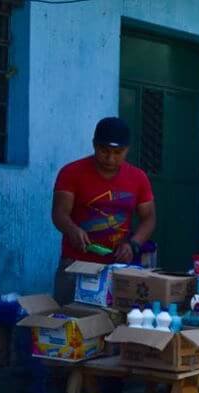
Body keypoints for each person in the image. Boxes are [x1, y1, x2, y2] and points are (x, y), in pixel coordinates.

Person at [52, 117, 156, 303]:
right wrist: (72, 230)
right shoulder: (71, 173)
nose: (110, 158)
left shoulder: (138, 178)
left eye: (118, 152)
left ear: (127, 150)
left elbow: (148, 218)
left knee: (114, 324)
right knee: (68, 323)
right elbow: (59, 214)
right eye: (104, 151)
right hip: (75, 266)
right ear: (94, 145)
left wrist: (133, 244)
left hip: (117, 268)